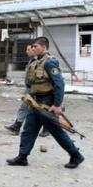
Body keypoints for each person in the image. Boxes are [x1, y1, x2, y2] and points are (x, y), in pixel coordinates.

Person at [6, 37, 84, 169]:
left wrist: (57, 105)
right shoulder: (35, 62)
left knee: (56, 131)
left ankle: (76, 155)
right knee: (28, 130)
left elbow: (60, 84)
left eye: (35, 46)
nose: (33, 48)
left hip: (47, 103)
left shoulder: (49, 63)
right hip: (35, 103)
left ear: (44, 47)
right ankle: (22, 157)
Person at [5, 45, 49, 137]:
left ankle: (47, 128)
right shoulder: (31, 61)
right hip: (29, 89)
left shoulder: (41, 62)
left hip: (38, 89)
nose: (27, 51)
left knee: (43, 109)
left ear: (34, 50)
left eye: (29, 49)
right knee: (24, 107)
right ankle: (17, 126)